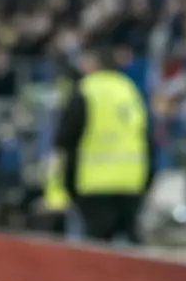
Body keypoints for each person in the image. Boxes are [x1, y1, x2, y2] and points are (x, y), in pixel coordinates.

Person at [51, 47, 152, 244]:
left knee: (98, 246)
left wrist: (65, 183)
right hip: (131, 180)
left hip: (94, 181)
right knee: (130, 241)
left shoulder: (86, 89)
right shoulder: (129, 89)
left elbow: (66, 138)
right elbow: (145, 135)